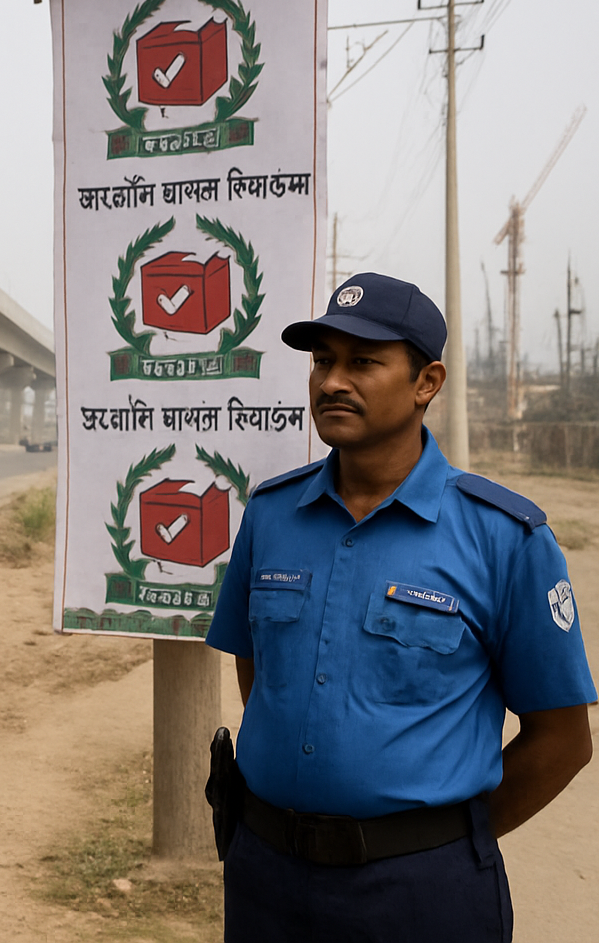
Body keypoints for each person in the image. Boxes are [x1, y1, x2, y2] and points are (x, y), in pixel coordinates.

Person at [206, 272, 595, 942]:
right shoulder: (270, 514)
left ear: (426, 382)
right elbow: (261, 677)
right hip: (265, 875)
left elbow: (562, 739)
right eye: (322, 360)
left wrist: (440, 841)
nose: (332, 381)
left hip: (422, 895)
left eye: (362, 362)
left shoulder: (505, 537)